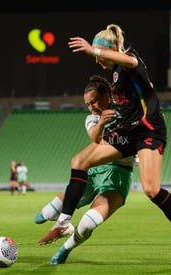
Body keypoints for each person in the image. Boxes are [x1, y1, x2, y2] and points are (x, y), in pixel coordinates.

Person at [39, 23, 171, 266]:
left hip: (149, 130)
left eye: (100, 53)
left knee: (151, 190)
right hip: (129, 131)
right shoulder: (114, 76)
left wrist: (92, 50)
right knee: (79, 162)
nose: (97, 60)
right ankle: (63, 222)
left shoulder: (131, 60)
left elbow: (129, 63)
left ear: (111, 48)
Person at [35, 75, 134, 264]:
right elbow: (94, 137)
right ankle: (66, 226)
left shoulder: (127, 111)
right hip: (92, 172)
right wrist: (102, 123)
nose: (92, 107)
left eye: (95, 101)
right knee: (43, 216)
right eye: (88, 104)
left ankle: (64, 250)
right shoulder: (92, 119)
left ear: (108, 96)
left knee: (88, 223)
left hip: (118, 177)